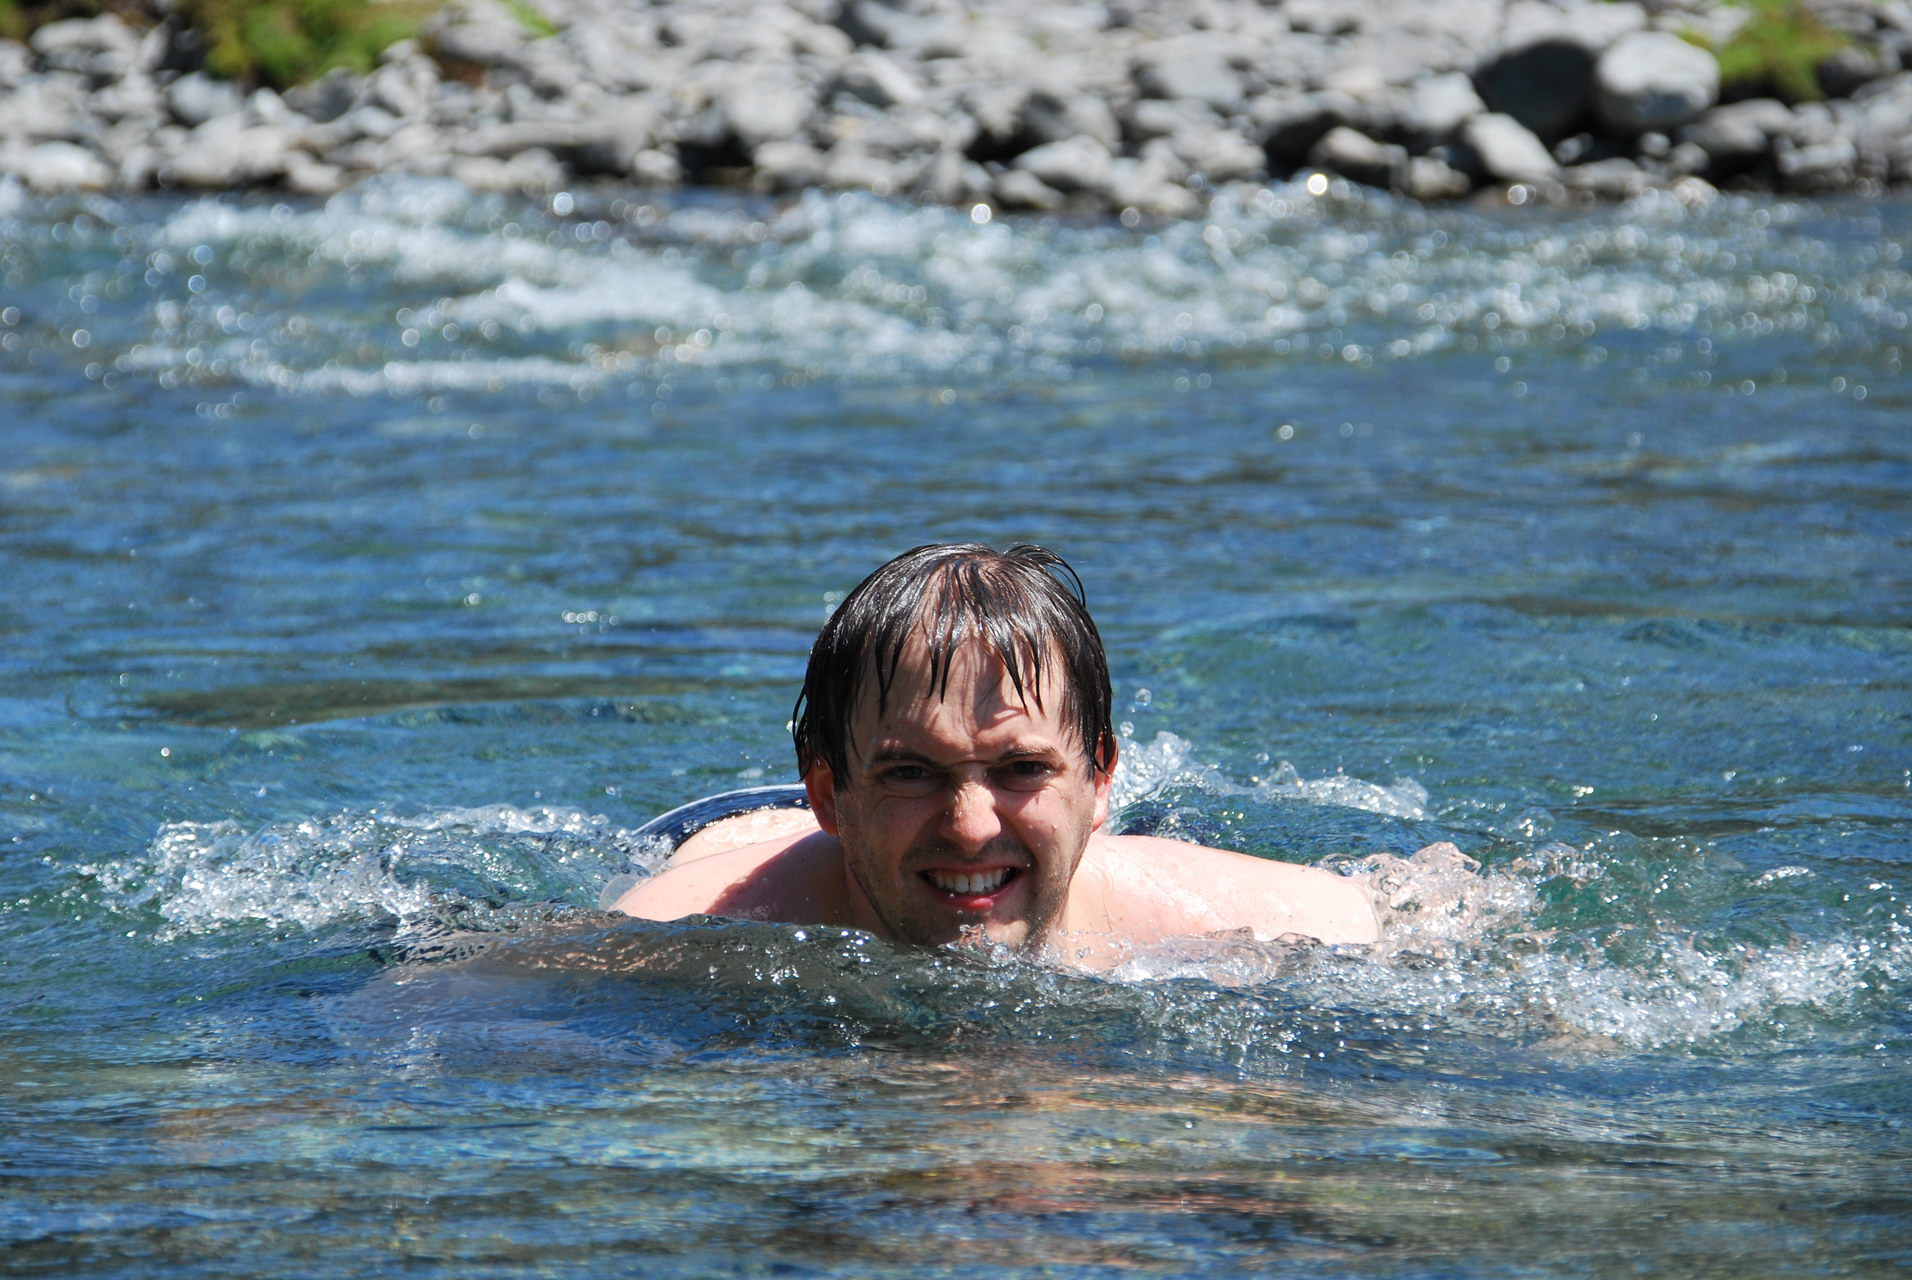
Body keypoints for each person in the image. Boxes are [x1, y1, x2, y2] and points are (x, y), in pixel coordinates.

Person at [610, 543, 1382, 968]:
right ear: (825, 796)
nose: (972, 826)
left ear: (1100, 780)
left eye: (1022, 769)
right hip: (737, 830)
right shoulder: (673, 934)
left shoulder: (1283, 926)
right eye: (913, 771)